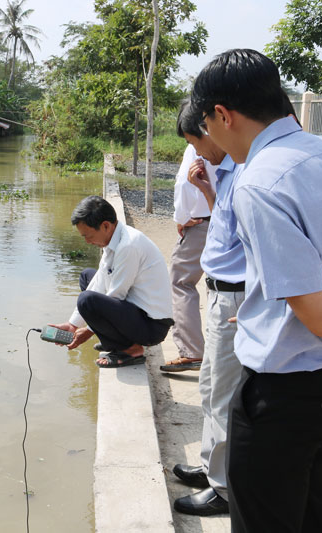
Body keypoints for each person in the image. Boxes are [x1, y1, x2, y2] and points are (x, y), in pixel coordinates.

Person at [191, 49, 322, 532]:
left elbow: (318, 314)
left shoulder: (258, 184)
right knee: (309, 514)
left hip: (283, 398)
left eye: (207, 123)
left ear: (222, 115)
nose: (210, 137)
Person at [170, 103, 244, 516]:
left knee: (225, 395)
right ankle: (209, 465)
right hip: (221, 293)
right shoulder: (231, 171)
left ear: (217, 123)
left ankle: (225, 488)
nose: (199, 153)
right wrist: (208, 193)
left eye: (198, 141)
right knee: (210, 389)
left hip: (236, 297)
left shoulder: (250, 169)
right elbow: (229, 228)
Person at [51, 195, 174, 368]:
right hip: (136, 313)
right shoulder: (113, 241)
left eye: (88, 236)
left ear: (106, 226)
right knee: (87, 276)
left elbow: (116, 295)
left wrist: (88, 331)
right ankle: (116, 341)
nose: (87, 241)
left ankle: (132, 349)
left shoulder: (128, 246)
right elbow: (99, 281)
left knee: (87, 300)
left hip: (151, 326)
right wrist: (73, 325)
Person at [159, 100, 224, 373]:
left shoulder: (196, 146)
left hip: (199, 223)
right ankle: (218, 350)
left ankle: (192, 350)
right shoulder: (236, 147)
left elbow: (185, 184)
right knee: (217, 286)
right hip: (222, 220)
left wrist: (181, 218)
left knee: (182, 282)